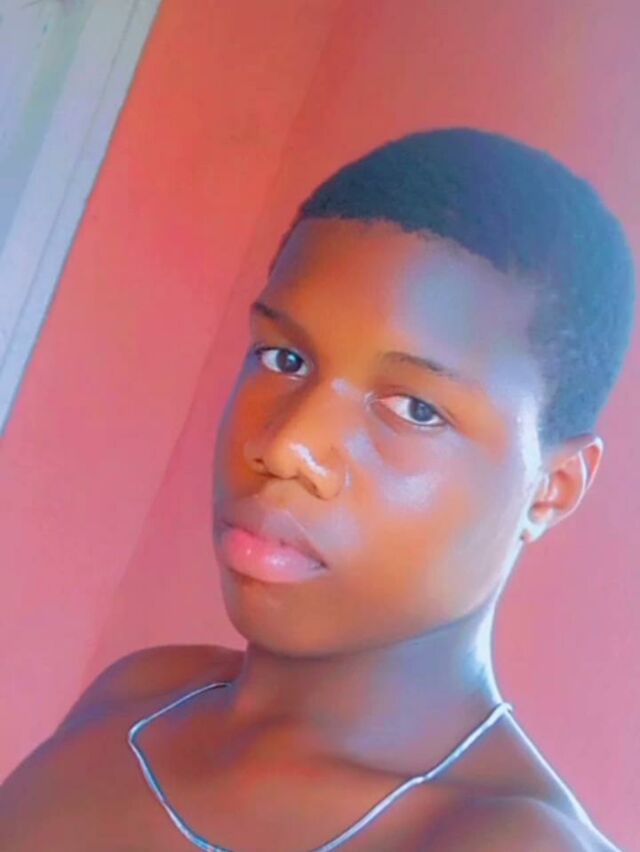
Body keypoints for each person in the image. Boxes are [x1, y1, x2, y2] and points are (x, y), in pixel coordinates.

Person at [0, 128, 635, 851]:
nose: (285, 447)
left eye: (414, 409)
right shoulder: (138, 696)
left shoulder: (509, 842)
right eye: (284, 358)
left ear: (551, 489)